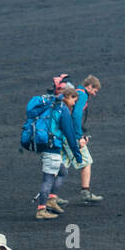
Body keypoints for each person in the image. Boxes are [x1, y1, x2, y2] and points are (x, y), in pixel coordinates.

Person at [35, 82, 84, 221]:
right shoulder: (62, 110)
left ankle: (51, 200)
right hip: (52, 148)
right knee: (48, 179)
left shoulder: (52, 107)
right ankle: (41, 209)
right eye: (74, 100)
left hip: (47, 146)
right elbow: (69, 134)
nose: (74, 104)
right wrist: (77, 155)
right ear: (69, 97)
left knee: (62, 172)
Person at [69, 75, 103, 203]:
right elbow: (76, 115)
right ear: (89, 87)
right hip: (71, 136)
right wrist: (79, 137)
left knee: (60, 165)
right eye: (95, 91)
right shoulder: (82, 95)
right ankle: (85, 192)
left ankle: (51, 196)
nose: (94, 94)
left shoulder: (76, 93)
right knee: (86, 161)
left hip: (65, 133)